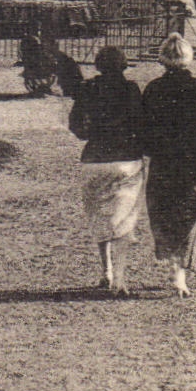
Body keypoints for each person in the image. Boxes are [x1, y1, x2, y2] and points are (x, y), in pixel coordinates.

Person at [138, 34, 196, 297]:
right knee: (191, 215)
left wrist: (152, 149)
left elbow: (141, 127)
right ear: (188, 58)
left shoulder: (154, 89)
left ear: (162, 59)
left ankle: (172, 263)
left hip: (163, 164)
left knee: (164, 212)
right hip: (195, 165)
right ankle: (180, 273)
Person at [68, 46, 147, 295]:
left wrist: (93, 133)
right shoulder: (131, 89)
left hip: (94, 159)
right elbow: (141, 123)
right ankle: (120, 279)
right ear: (124, 65)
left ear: (98, 66)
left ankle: (106, 271)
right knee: (124, 219)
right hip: (126, 160)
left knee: (100, 216)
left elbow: (76, 126)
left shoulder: (88, 89)